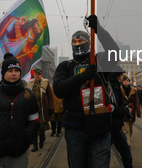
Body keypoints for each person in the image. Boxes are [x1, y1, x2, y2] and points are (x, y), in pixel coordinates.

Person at [53, 14, 119, 168]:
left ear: (88, 43)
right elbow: (59, 89)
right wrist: (82, 77)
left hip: (100, 126)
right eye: (74, 42)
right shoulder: (65, 66)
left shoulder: (100, 61)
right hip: (74, 127)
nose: (77, 44)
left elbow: (115, 52)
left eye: (81, 41)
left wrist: (98, 30)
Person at [0, 53, 40, 168]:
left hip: (18, 153)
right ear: (3, 72)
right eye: (10, 71)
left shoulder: (29, 95)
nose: (14, 73)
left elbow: (34, 120)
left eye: (16, 70)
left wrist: (26, 138)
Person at [110, 67, 133, 168]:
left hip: (112, 125)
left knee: (104, 153)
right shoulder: (114, 88)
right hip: (114, 126)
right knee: (126, 152)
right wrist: (126, 110)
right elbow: (114, 108)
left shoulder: (114, 86)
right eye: (121, 76)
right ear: (118, 76)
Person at [26, 68, 54, 151]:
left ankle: (42, 137)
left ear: (41, 75)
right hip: (33, 110)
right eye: (36, 74)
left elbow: (50, 96)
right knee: (33, 127)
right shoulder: (30, 84)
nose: (37, 76)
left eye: (38, 74)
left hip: (42, 109)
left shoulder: (45, 83)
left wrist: (51, 108)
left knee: (41, 127)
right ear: (34, 75)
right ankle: (35, 144)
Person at [120, 75, 141, 145]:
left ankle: (127, 141)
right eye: (125, 81)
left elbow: (137, 102)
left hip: (132, 111)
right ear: (122, 82)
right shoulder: (120, 90)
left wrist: (138, 112)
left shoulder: (133, 91)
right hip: (124, 111)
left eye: (127, 81)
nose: (126, 82)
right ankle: (127, 144)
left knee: (131, 129)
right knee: (126, 129)